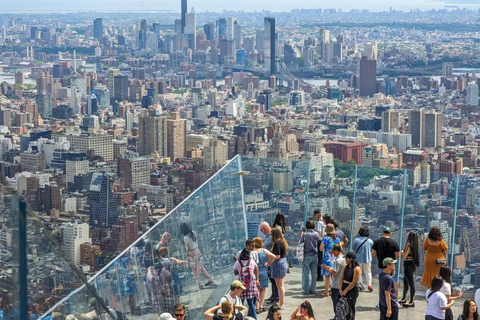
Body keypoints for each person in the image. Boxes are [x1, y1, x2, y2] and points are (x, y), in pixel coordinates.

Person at [179, 222, 213, 289]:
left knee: (194, 269)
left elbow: (188, 248)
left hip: (192, 252)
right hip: (197, 250)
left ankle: (199, 284)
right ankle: (209, 279)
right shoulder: (193, 233)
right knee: (201, 267)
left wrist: (187, 255)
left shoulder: (185, 237)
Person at [234, 248, 259, 320]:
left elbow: (236, 273)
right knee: (251, 303)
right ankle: (255, 318)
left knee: (240, 303)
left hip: (241, 284)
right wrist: (257, 279)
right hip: (250, 284)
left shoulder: (238, 262)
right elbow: (256, 268)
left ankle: (239, 318)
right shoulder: (251, 261)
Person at [253, 237, 276, 313]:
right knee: (263, 290)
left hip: (254, 272)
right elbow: (274, 257)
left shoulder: (252, 252)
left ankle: (256, 307)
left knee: (256, 291)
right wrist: (268, 263)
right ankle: (260, 306)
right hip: (263, 271)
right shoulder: (264, 251)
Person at [267, 228, 288, 309]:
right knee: (281, 285)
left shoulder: (276, 243)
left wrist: (269, 259)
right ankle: (281, 302)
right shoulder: (283, 242)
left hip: (278, 265)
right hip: (283, 263)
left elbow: (277, 256)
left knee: (279, 286)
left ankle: (282, 304)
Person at [322, 244, 345, 318]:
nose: (332, 253)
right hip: (342, 284)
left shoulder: (337, 261)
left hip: (336, 284)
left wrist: (327, 269)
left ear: (336, 251)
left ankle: (337, 317)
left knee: (335, 302)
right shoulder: (344, 259)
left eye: (333, 251)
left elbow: (335, 273)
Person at [320, 223, 341, 297]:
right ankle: (333, 290)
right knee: (334, 274)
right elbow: (340, 248)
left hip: (327, 258)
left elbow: (321, 249)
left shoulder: (325, 238)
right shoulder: (337, 238)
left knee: (327, 276)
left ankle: (326, 292)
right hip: (335, 257)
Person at [399, 231, 420, 307]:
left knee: (410, 283)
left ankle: (411, 301)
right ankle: (404, 298)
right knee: (406, 282)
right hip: (412, 265)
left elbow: (404, 256)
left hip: (407, 265)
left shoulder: (409, 245)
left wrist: (401, 252)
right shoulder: (415, 246)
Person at [260, 222, 278, 305]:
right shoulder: (268, 237)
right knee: (272, 280)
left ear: (265, 228)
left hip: (273, 262)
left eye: (262, 229)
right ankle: (273, 295)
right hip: (269, 262)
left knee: (274, 280)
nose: (261, 231)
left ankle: (276, 297)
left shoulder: (272, 237)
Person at [339, 252, 361, 320]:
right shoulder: (345, 266)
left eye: (347, 258)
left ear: (350, 259)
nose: (345, 260)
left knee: (350, 308)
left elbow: (354, 282)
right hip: (344, 287)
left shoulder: (356, 269)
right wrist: (340, 289)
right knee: (342, 306)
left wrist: (345, 290)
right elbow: (342, 278)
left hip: (351, 290)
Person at [301, 220, 320, 295]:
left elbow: (301, 243)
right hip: (315, 255)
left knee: (306, 273)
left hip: (307, 255)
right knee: (314, 273)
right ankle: (313, 289)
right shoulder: (316, 234)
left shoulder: (305, 234)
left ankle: (306, 290)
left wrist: (302, 234)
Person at [352, 227, 374, 292]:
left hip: (358, 259)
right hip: (367, 259)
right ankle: (369, 285)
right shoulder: (370, 241)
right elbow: (371, 249)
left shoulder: (356, 240)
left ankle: (360, 285)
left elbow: (354, 249)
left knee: (359, 272)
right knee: (368, 272)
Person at [313, 209, 326, 281]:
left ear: (317, 215)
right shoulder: (325, 221)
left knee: (319, 258)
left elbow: (319, 233)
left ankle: (320, 275)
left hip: (321, 242)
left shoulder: (319, 223)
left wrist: (320, 241)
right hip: (327, 241)